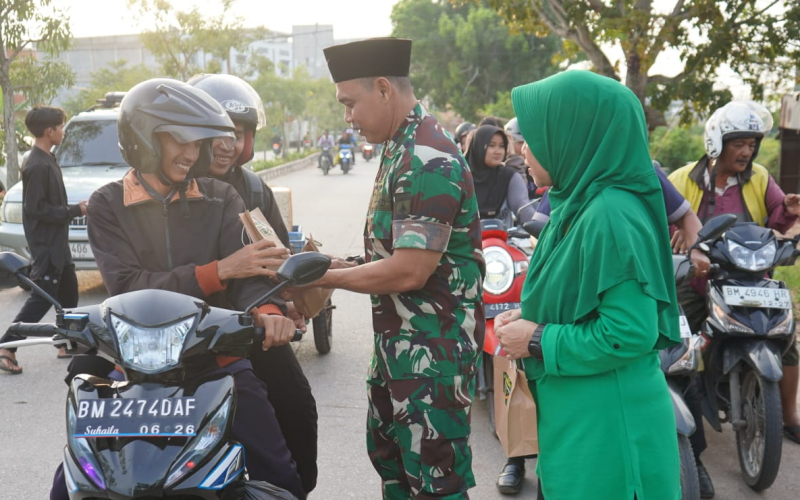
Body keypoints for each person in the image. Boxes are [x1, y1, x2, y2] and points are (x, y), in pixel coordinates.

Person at [52, 79, 305, 500]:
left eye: (197, 143)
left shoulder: (221, 197)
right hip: (130, 368)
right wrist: (217, 271)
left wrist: (272, 312)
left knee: (282, 470)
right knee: (72, 482)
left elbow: (250, 275)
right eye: (181, 140)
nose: (192, 154)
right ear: (143, 138)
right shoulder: (107, 205)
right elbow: (127, 286)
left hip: (216, 360)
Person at [495, 70, 681, 500]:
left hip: (610, 441)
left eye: (536, 133)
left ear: (572, 135)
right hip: (579, 426)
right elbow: (585, 298)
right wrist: (531, 314)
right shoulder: (573, 204)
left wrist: (538, 338)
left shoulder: (610, 215)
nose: (522, 148)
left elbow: (630, 332)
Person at [316, 37, 485, 499]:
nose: (347, 117)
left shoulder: (426, 156)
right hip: (399, 346)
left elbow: (410, 271)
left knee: (434, 483)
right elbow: (393, 254)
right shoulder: (399, 145)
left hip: (433, 354)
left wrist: (326, 278)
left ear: (385, 89)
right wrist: (341, 264)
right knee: (394, 467)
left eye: (350, 103)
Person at [187, 72, 319, 495]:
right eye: (217, 132)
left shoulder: (253, 186)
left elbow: (277, 255)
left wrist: (283, 301)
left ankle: (292, 490)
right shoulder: (172, 186)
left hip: (249, 325)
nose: (228, 144)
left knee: (296, 405)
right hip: (182, 326)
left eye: (238, 132)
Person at [668, 100, 800, 498]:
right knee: (681, 349)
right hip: (697, 283)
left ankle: (788, 413)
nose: (746, 152)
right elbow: (664, 222)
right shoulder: (681, 179)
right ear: (716, 142)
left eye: (751, 144)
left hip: (752, 278)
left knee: (788, 340)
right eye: (738, 143)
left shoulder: (760, 177)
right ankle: (686, 440)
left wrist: (789, 212)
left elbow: (778, 216)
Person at [0, 106, 87, 375]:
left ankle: (65, 342)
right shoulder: (37, 164)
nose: (63, 131)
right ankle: (6, 346)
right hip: (47, 244)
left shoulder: (47, 157)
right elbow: (37, 209)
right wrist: (76, 211)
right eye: (61, 127)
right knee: (42, 298)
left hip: (56, 242)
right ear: (50, 131)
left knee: (69, 289)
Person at [465, 125, 536, 226]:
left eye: (502, 146)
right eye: (491, 145)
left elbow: (522, 208)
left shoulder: (509, 176)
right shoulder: (461, 176)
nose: (498, 151)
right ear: (479, 146)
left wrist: (546, 230)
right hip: (464, 239)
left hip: (501, 238)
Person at [504, 117, 537, 199]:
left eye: (528, 143)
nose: (524, 149)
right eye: (520, 143)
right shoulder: (503, 168)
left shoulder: (535, 165)